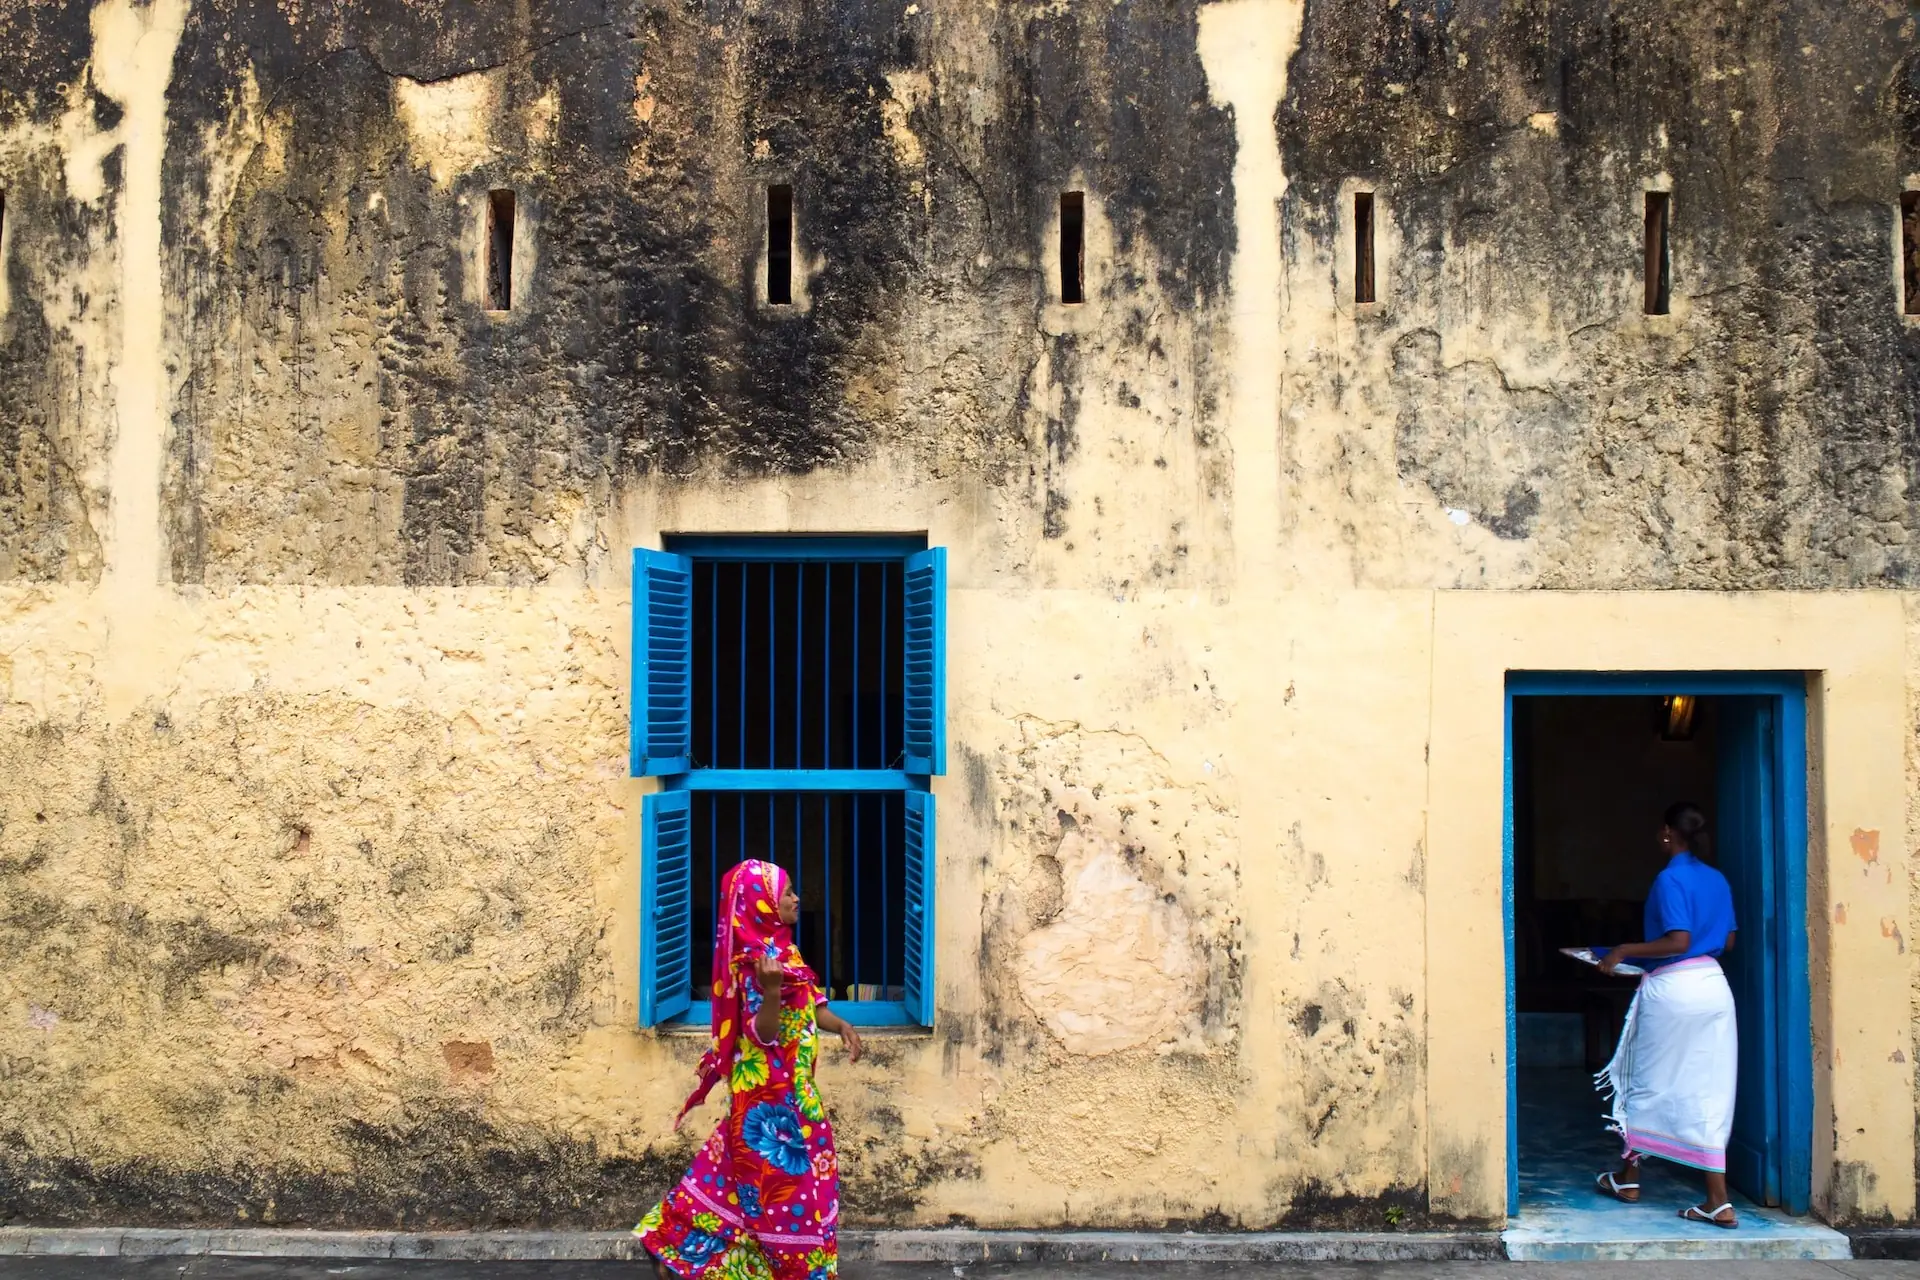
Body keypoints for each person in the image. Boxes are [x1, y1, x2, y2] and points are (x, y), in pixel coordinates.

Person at [635, 860, 864, 1280]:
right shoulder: (752, 963)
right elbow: (762, 1034)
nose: (797, 898)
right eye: (788, 892)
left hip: (796, 1090)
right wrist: (773, 992)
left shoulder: (785, 949)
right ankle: (793, 1268)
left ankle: (671, 1247)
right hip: (766, 1101)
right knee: (785, 1190)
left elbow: (814, 1004)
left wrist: (842, 1026)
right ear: (762, 902)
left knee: (733, 1179)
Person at [1592, 801, 1740, 1228]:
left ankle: (1629, 1177)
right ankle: (1718, 1200)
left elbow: (1678, 941)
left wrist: (1622, 950)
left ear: (1666, 833)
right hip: (1714, 987)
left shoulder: (1670, 878)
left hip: (1675, 988)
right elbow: (1726, 942)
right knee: (1711, 1089)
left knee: (1647, 1079)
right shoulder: (1717, 878)